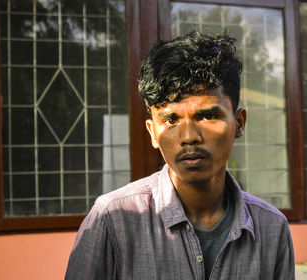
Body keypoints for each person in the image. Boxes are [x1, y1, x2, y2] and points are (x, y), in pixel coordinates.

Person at [65, 31, 295, 280]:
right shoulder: (113, 220)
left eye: (207, 115)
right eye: (171, 119)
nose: (189, 136)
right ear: (153, 132)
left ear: (238, 123)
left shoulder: (272, 228)